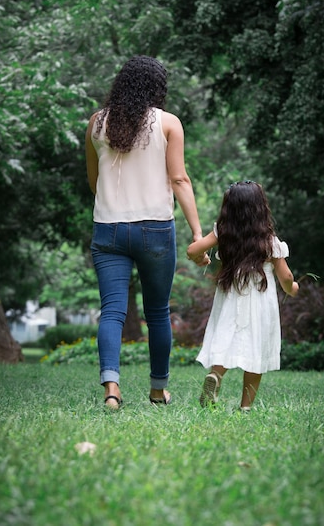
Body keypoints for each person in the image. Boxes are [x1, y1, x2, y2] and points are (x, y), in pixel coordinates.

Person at [85, 55, 205, 409]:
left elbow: (94, 181)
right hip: (155, 228)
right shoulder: (168, 123)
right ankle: (157, 390)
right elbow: (180, 179)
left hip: (108, 229)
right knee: (157, 313)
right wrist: (198, 233)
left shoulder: (96, 123)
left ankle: (111, 388)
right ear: (157, 87)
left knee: (112, 312)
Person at [187, 180, 299, 411]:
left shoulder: (223, 232)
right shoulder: (270, 242)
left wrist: (203, 257)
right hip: (260, 302)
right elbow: (286, 277)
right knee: (255, 350)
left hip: (229, 298)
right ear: (261, 208)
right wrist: (293, 289)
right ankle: (245, 407)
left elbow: (192, 250)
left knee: (226, 338)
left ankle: (216, 376)